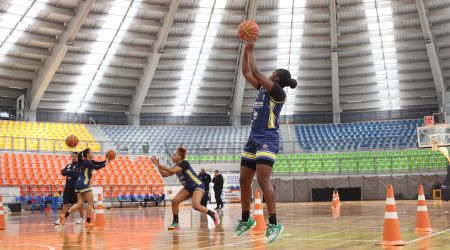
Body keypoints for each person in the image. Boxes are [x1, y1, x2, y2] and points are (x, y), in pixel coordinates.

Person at [234, 40, 297, 243]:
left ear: (276, 77)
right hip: (253, 136)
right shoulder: (263, 88)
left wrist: (251, 49)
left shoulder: (278, 92)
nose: (267, 75)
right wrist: (245, 48)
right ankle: (246, 219)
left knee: (262, 181)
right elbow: (246, 72)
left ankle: (274, 223)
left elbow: (256, 71)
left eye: (272, 73)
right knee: (244, 179)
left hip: (268, 138)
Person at [150, 146, 220, 230]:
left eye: (175, 155)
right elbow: (164, 175)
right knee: (175, 201)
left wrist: (159, 164)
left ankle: (212, 214)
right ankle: (176, 223)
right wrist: (158, 166)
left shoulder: (184, 163)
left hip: (197, 185)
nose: (173, 156)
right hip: (188, 187)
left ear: (180, 156)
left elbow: (171, 171)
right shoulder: (176, 167)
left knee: (195, 205)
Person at [60, 148, 109, 227]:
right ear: (87, 154)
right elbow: (96, 167)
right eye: (91, 152)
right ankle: (88, 222)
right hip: (84, 183)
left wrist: (107, 161)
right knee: (90, 202)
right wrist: (105, 164)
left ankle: (64, 216)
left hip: (78, 184)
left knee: (79, 203)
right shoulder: (86, 161)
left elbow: (97, 163)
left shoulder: (88, 161)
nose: (93, 153)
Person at [54, 152, 84, 225]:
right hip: (67, 187)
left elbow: (76, 175)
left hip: (76, 187)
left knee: (79, 204)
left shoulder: (80, 166)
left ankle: (81, 218)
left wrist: (68, 172)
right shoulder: (68, 165)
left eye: (76, 156)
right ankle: (61, 218)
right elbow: (63, 172)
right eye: (73, 156)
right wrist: (71, 171)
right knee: (66, 204)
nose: (74, 157)